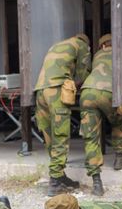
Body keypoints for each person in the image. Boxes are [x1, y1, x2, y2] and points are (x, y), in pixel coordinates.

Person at [34, 33, 92, 195]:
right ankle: (54, 182)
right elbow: (83, 71)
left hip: (40, 91)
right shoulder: (82, 45)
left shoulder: (57, 45)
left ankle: (59, 175)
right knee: (61, 135)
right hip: (57, 90)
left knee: (49, 135)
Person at [78, 34, 122, 196]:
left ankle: (96, 182)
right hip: (108, 92)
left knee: (91, 137)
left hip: (87, 93)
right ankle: (120, 157)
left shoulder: (97, 55)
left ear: (102, 46)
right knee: (118, 121)